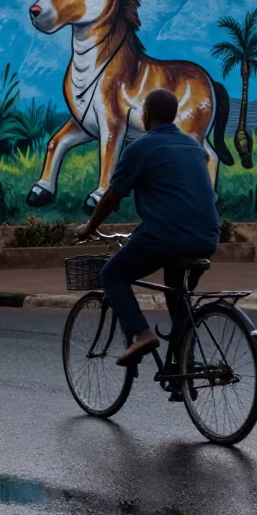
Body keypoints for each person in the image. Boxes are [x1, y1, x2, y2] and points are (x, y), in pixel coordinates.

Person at [76, 89, 219, 367]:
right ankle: (183, 365)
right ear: (174, 116)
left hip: (165, 236)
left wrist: (89, 227)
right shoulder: (194, 147)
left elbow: (112, 196)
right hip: (207, 237)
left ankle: (141, 334)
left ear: (145, 116)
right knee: (176, 290)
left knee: (112, 274)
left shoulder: (141, 148)